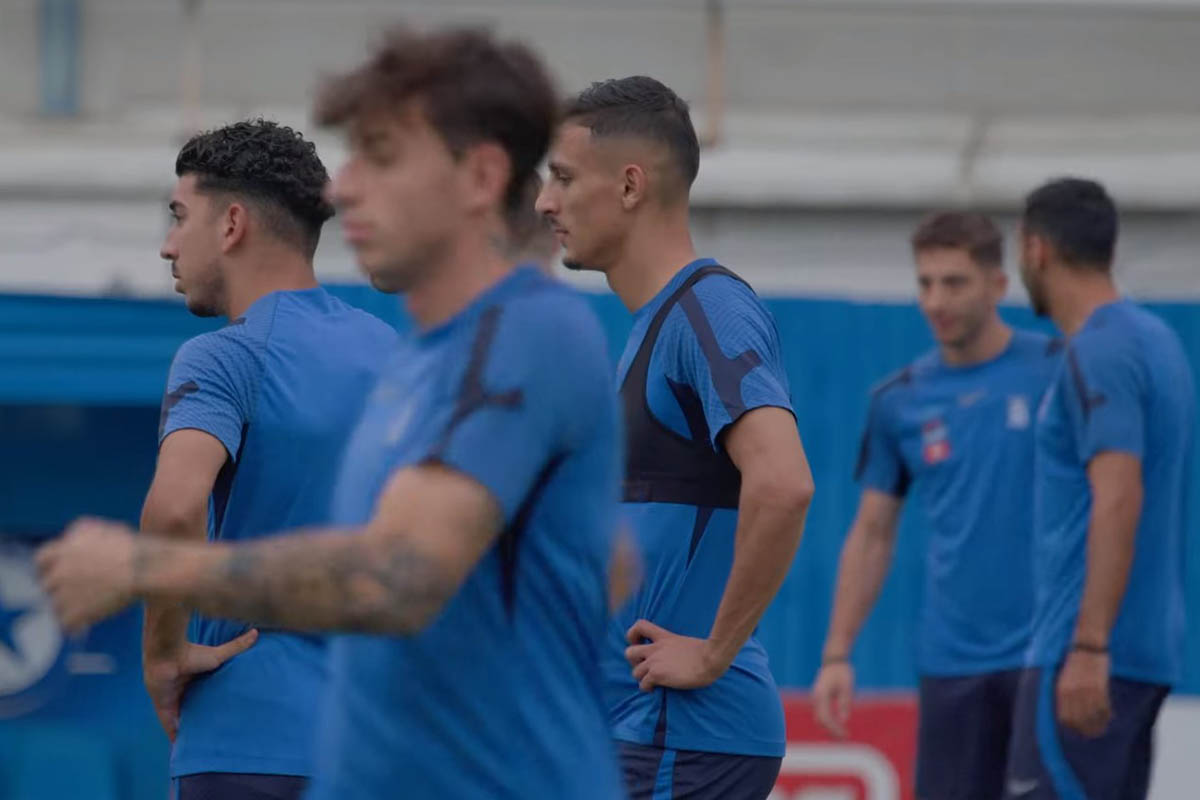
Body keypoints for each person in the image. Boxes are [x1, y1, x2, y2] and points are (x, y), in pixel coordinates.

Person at [37, 27, 623, 799]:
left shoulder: (526, 332)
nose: (343, 188)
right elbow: (606, 563)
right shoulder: (418, 357)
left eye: (381, 156)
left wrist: (144, 566)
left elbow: (396, 577)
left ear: (479, 176)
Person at [537, 75, 814, 800]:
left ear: (630, 186)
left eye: (563, 178)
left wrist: (713, 652)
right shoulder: (655, 326)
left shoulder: (709, 310)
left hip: (681, 735)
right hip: (641, 734)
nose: (544, 202)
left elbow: (785, 484)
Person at [144, 119, 396, 800]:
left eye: (179, 217)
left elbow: (173, 509)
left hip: (246, 741)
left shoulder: (222, 356)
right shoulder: (395, 351)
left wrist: (163, 653)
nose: (168, 245)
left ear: (231, 224)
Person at [811, 211, 1060, 800]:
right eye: (925, 283)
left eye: (954, 282)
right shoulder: (898, 402)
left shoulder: (1057, 371)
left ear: (997, 285)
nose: (935, 300)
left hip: (1047, 658)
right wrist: (837, 654)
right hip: (952, 666)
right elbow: (872, 532)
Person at [1003, 178, 1194, 800]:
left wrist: (1088, 645)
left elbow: (1119, 494)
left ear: (1035, 249)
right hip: (1146, 648)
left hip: (1087, 651)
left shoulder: (1099, 350)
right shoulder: (1157, 341)